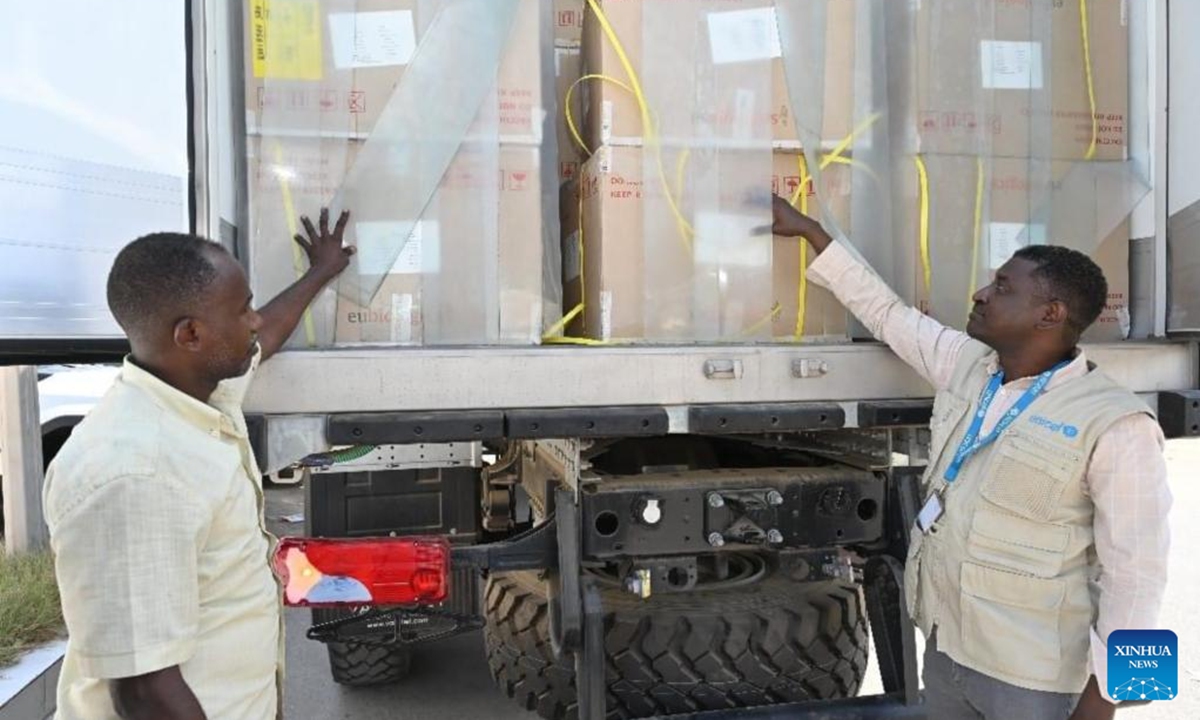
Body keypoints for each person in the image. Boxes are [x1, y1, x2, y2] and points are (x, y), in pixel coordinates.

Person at [770, 196, 1171, 720]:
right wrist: (810, 232)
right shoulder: (971, 366)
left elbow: (1140, 577)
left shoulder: (1117, 425)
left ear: (1050, 314)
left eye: (1004, 287)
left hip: (1033, 680)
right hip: (948, 653)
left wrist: (1104, 706)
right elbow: (889, 315)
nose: (982, 294)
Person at [43, 209, 355, 720]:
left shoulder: (197, 393)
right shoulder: (133, 474)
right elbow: (146, 693)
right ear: (190, 334)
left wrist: (322, 271)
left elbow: (266, 336)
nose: (254, 319)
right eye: (242, 309)